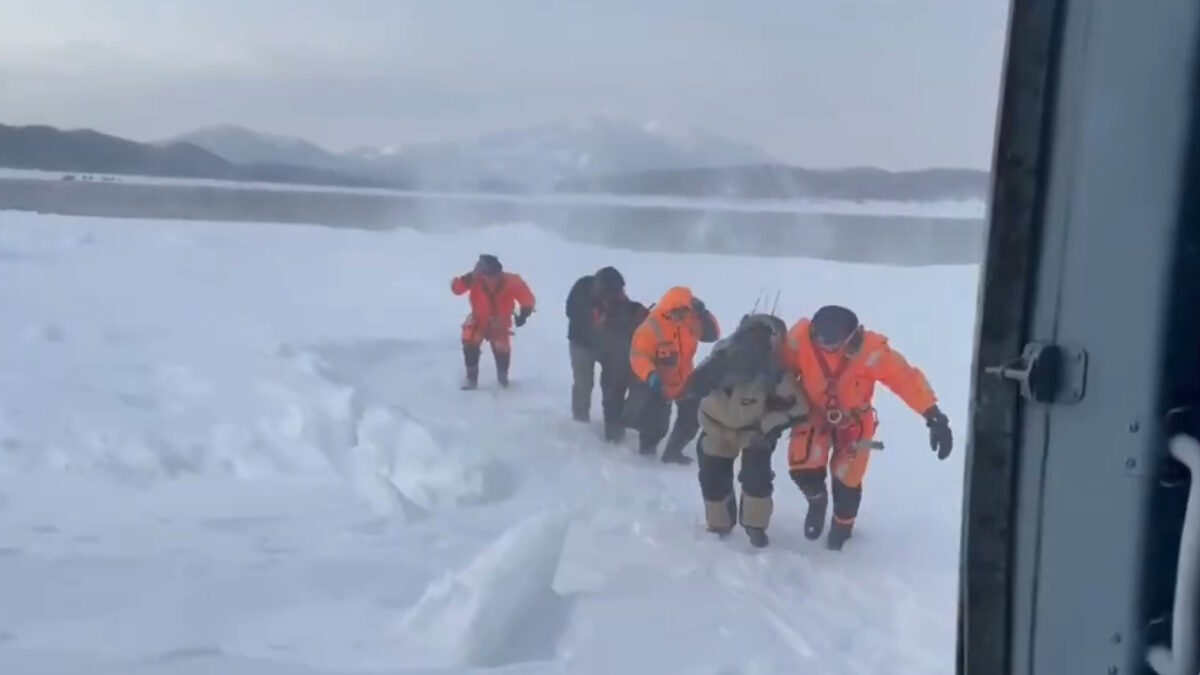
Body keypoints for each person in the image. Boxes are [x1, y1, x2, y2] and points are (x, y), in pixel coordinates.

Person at [779, 304, 953, 550]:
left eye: (833, 344)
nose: (826, 347)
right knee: (802, 465)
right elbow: (778, 367)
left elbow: (905, 378)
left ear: (850, 337)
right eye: (821, 341)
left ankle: (842, 526)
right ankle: (816, 500)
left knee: (847, 479)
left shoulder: (872, 352)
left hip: (854, 422)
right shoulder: (800, 339)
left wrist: (933, 415)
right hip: (813, 414)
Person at [688, 313, 809, 548]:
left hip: (754, 432)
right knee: (713, 478)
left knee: (757, 479)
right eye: (751, 336)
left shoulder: (775, 371)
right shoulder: (719, 357)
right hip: (715, 426)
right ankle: (719, 524)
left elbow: (799, 406)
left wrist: (768, 425)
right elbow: (693, 385)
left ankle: (755, 526)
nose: (754, 343)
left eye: (762, 338)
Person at [624, 286, 721, 464]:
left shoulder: (691, 320)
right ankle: (646, 454)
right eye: (677, 313)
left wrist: (704, 314)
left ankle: (673, 453)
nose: (681, 317)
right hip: (659, 383)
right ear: (670, 309)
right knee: (656, 425)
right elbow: (638, 356)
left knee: (692, 419)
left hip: (685, 380)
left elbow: (712, 334)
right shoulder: (650, 327)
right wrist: (650, 374)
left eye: (685, 313)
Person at [565, 266, 649, 441]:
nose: (616, 295)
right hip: (581, 344)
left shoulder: (616, 295)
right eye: (612, 292)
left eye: (619, 291)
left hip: (606, 345)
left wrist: (639, 312)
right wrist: (596, 315)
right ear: (599, 287)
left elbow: (627, 308)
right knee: (584, 383)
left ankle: (613, 427)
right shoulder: (582, 289)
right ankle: (580, 422)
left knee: (613, 383)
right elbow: (572, 311)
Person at [450, 254, 536, 389]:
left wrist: (524, 313)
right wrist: (463, 280)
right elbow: (456, 289)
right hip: (478, 320)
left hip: (500, 322)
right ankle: (471, 379)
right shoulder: (473, 279)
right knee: (470, 343)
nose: (493, 278)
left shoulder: (511, 280)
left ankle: (503, 380)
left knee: (502, 350)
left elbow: (527, 297)